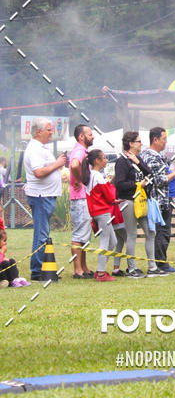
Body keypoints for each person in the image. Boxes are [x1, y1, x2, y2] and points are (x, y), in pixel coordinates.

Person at [113, 131, 162, 278]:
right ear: (131, 143)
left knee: (150, 232)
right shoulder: (121, 161)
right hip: (128, 201)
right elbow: (119, 184)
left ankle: (152, 266)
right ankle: (131, 268)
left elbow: (150, 173)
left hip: (141, 201)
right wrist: (137, 184)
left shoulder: (137, 159)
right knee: (131, 234)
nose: (141, 144)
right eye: (139, 141)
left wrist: (138, 162)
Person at [23, 121, 66, 282]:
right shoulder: (34, 149)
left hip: (45, 195)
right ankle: (37, 270)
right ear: (38, 132)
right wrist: (57, 164)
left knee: (42, 233)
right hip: (41, 196)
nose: (51, 133)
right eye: (48, 130)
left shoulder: (40, 148)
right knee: (41, 234)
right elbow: (39, 172)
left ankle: (39, 268)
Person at [142, 127, 175, 274]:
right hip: (158, 201)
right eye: (164, 139)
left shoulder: (156, 156)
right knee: (161, 232)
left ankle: (160, 262)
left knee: (162, 232)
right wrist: (174, 174)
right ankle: (160, 264)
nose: (166, 142)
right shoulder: (150, 157)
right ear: (155, 140)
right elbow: (157, 180)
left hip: (162, 200)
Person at [83, 149, 117, 282]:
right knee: (105, 241)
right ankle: (102, 273)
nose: (106, 160)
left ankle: (100, 269)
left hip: (95, 212)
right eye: (103, 158)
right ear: (97, 161)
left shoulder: (90, 175)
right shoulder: (98, 176)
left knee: (112, 242)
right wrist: (112, 189)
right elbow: (109, 195)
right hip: (102, 212)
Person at [68, 124, 94, 279]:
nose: (92, 137)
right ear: (81, 137)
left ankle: (84, 267)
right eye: (89, 134)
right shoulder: (79, 151)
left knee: (84, 234)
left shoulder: (83, 151)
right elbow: (74, 164)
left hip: (83, 197)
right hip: (79, 198)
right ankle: (77, 269)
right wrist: (78, 179)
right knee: (79, 235)